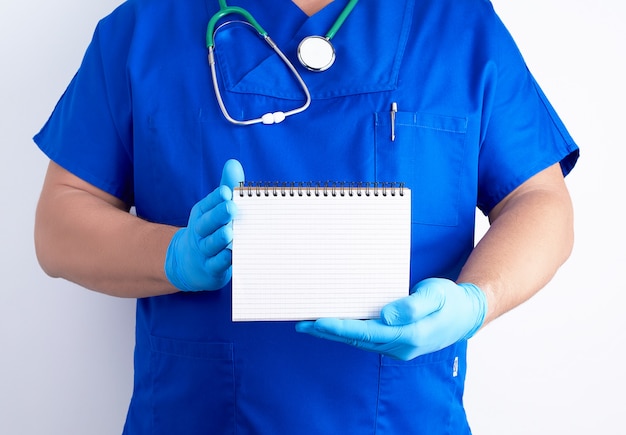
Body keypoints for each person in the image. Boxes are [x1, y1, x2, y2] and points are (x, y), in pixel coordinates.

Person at [33, 0, 579, 433]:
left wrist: (475, 300)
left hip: (405, 420)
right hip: (195, 419)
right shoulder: (145, 28)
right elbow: (60, 220)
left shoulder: (459, 26)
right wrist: (171, 256)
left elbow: (538, 201)